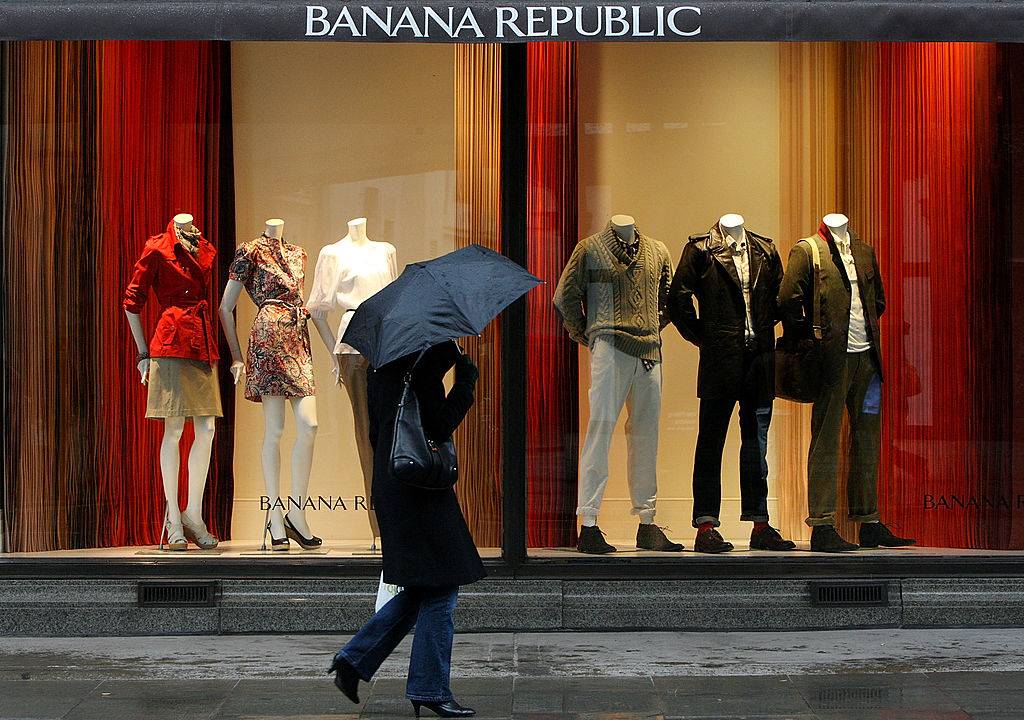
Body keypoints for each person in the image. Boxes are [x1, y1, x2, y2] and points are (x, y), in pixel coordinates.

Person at [329, 341, 484, 718]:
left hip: (394, 484)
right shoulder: (426, 360)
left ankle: (354, 660)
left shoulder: (381, 362)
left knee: (423, 585)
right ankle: (428, 688)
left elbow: (377, 432)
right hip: (420, 489)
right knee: (442, 585)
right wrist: (466, 382)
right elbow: (438, 424)